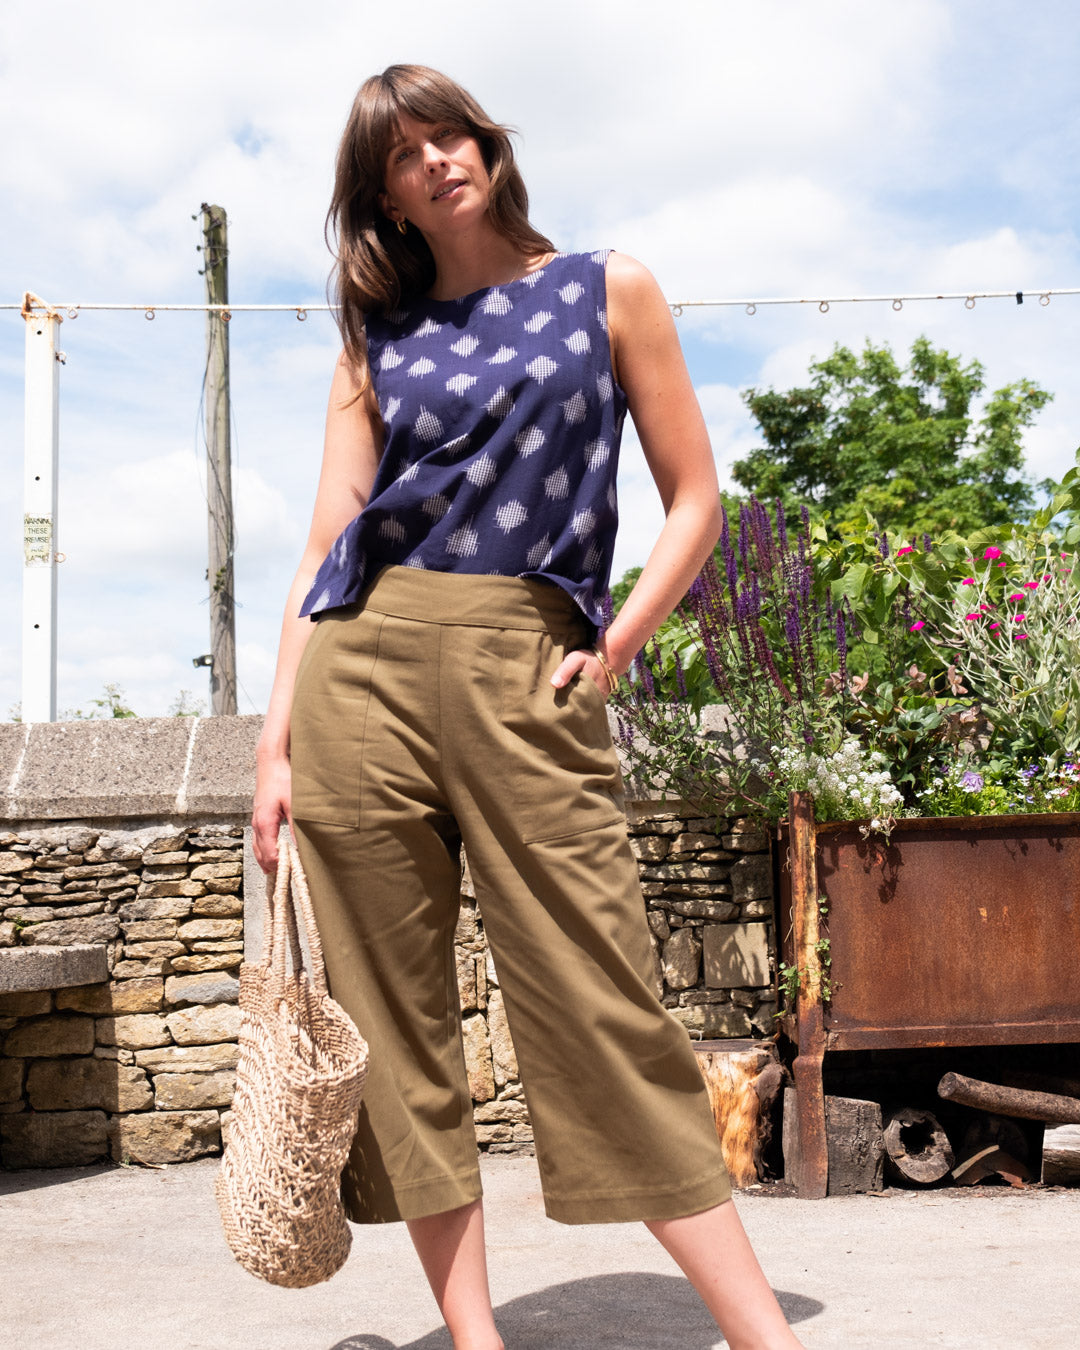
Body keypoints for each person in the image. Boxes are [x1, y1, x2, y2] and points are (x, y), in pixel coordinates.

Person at [252, 63, 805, 1350]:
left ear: (487, 145)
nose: (435, 160)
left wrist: (615, 646)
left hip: (530, 663)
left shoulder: (607, 287)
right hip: (361, 672)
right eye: (403, 154)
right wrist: (275, 742)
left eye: (448, 133)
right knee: (393, 1027)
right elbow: (329, 538)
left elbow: (696, 498)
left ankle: (766, 1338)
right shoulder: (374, 341)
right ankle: (474, 1339)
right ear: (385, 197)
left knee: (604, 1003)